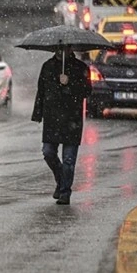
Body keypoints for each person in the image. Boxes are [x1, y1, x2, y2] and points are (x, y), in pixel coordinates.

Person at [31, 46, 91, 205]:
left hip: (72, 119)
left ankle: (65, 192)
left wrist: (69, 82)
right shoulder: (47, 66)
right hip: (52, 118)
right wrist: (38, 113)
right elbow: (41, 91)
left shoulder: (81, 67)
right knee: (48, 152)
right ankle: (61, 180)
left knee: (69, 160)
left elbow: (87, 91)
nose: (62, 51)